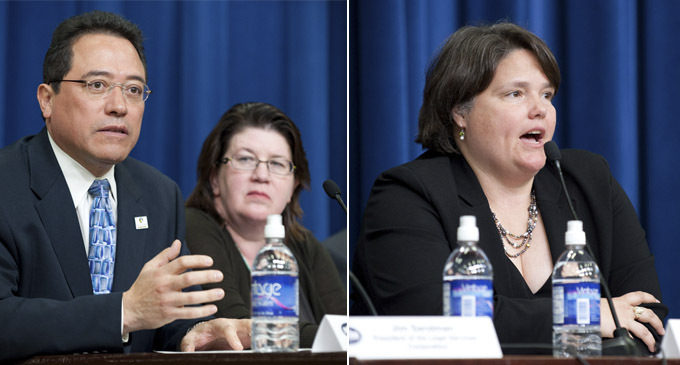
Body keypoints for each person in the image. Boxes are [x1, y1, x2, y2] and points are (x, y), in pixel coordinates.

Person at [352, 22, 667, 354]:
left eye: (546, 95)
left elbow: (646, 317)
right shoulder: (408, 194)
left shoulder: (588, 180)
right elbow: (436, 326)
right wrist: (584, 317)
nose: (540, 109)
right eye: (516, 94)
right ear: (460, 111)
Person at [0, 11, 251, 362]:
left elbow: (165, 319)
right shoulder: (7, 185)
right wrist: (122, 312)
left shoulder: (158, 193)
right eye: (97, 85)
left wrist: (196, 332)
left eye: (134, 90)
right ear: (47, 99)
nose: (119, 106)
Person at [185, 102, 346, 348]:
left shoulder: (303, 246)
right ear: (214, 178)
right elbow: (238, 326)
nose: (261, 175)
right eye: (246, 159)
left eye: (278, 164)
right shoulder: (193, 226)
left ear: (293, 186)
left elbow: (343, 324)